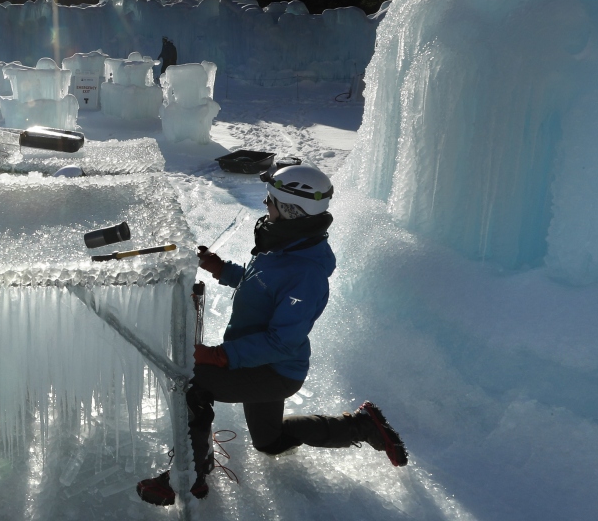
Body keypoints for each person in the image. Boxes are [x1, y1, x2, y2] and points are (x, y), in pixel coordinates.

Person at [136, 164, 407, 506]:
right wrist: (220, 268)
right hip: (258, 361)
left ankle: (189, 475)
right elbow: (260, 284)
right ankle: (362, 426)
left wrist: (219, 357)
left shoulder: (305, 273)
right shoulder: (288, 245)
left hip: (273, 370)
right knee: (270, 442)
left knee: (195, 383)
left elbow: (282, 341)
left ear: (292, 210)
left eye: (272, 201)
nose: (266, 205)